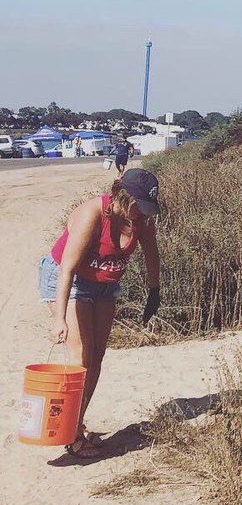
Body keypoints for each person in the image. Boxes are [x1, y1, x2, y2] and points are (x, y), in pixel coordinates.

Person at [37, 168, 162, 459]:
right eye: (139, 206)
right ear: (123, 196)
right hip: (69, 280)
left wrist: (154, 292)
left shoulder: (142, 220)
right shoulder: (92, 214)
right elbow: (67, 267)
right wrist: (59, 319)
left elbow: (152, 254)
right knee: (82, 354)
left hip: (105, 285)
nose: (143, 214)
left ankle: (75, 423)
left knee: (97, 356)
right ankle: (72, 435)